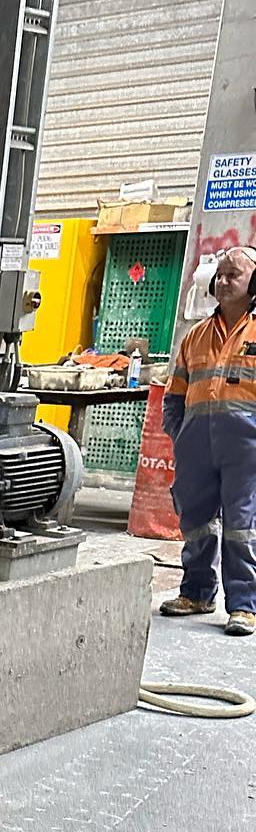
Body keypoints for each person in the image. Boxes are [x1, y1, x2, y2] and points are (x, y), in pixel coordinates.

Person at [160, 244, 256, 634]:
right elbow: (175, 395)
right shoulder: (195, 336)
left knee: (242, 525)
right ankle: (197, 592)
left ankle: (244, 605)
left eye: (234, 274)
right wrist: (180, 435)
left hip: (246, 449)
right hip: (197, 446)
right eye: (221, 275)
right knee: (195, 521)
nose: (224, 281)